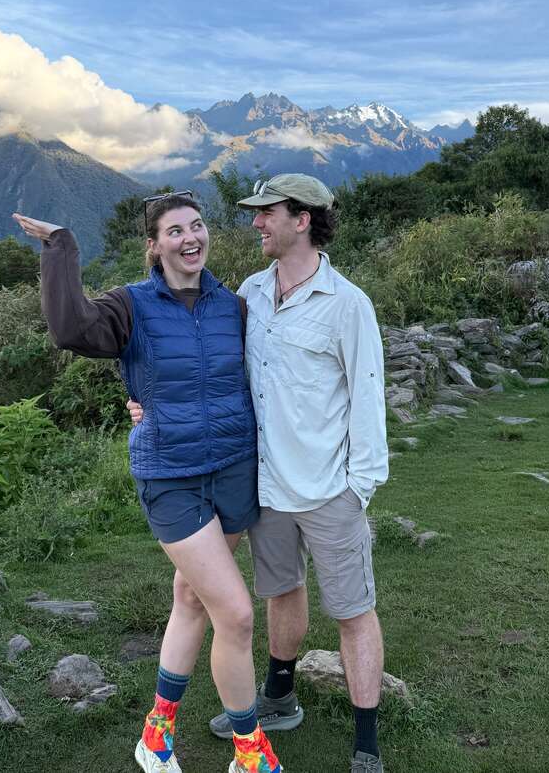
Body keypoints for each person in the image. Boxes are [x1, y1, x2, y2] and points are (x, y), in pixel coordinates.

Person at [13, 194, 282, 773]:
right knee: (236, 613)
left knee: (191, 598)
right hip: (171, 478)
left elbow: (265, 377)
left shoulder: (233, 306)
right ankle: (250, 752)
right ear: (154, 246)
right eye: (174, 231)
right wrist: (61, 247)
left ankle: (155, 737)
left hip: (234, 471)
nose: (190, 238)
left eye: (197, 226)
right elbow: (69, 329)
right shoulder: (129, 306)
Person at [129, 174, 389, 773]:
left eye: (266, 212)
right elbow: (214, 371)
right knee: (282, 592)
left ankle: (366, 743)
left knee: (352, 611)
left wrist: (360, 487)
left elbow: (368, 396)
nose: (255, 223)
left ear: (302, 219)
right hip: (264, 486)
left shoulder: (347, 304)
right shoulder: (249, 292)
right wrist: (149, 403)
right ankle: (279, 699)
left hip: (330, 488)